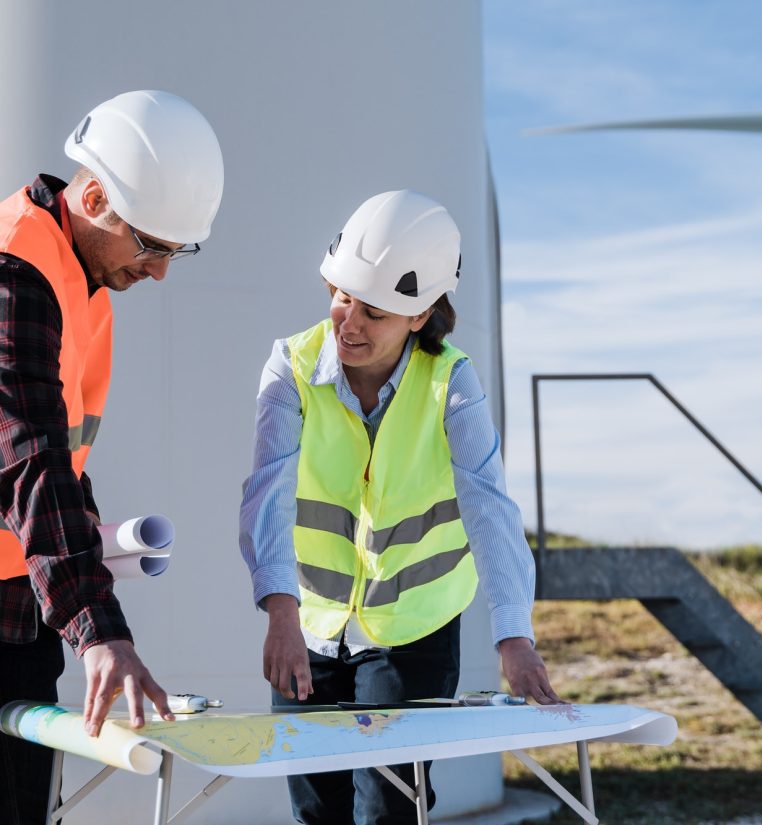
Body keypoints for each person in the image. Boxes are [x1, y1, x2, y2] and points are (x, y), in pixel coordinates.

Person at [240, 189, 561, 824]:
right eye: (341, 297)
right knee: (314, 810)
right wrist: (279, 611)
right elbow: (267, 492)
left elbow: (489, 508)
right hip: (309, 622)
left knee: (389, 809)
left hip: (414, 630)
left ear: (419, 316)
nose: (349, 323)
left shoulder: (451, 382)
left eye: (374, 311)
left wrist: (514, 637)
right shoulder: (291, 367)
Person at [0, 89, 224, 825]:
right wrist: (98, 627)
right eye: (152, 245)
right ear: (94, 198)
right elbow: (28, 456)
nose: (160, 272)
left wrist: (91, 530)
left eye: (175, 252)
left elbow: (60, 456)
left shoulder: (80, 285)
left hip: (20, 613)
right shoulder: (14, 271)